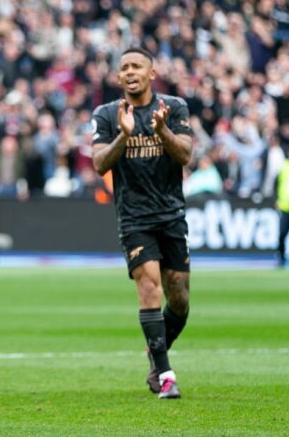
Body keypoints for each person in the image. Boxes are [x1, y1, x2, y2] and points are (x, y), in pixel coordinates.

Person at [91, 47, 194, 399]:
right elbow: (99, 165)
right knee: (150, 288)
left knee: (179, 298)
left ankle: (155, 350)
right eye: (124, 68)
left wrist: (162, 130)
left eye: (137, 66)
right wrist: (123, 134)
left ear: (152, 73)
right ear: (118, 78)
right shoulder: (107, 114)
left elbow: (185, 154)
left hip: (171, 215)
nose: (130, 72)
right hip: (134, 218)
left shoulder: (174, 108)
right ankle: (165, 375)